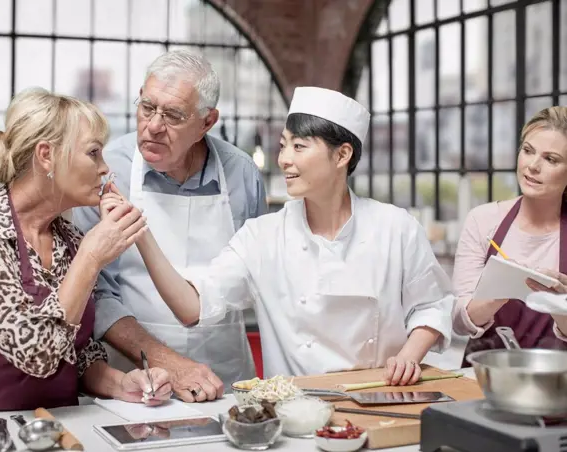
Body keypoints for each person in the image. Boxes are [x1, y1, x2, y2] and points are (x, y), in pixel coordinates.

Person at [111, 86, 454, 384]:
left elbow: (432, 306)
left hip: (378, 401)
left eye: (300, 147)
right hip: (296, 413)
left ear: (343, 154)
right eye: (283, 145)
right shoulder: (263, 236)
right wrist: (141, 232)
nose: (285, 160)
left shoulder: (396, 228)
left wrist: (409, 355)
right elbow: (192, 307)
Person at [0, 87, 171, 414]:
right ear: (46, 155)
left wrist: (121, 383)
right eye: (93, 153)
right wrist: (91, 258)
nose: (106, 169)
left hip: (49, 428)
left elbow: (75, 353)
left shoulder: (72, 240)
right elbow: (35, 352)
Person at [72, 50, 267, 401]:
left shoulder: (243, 176)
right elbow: (95, 293)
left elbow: (256, 281)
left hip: (226, 380)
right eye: (147, 108)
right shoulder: (107, 172)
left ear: (207, 122)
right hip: (137, 381)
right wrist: (167, 362)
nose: (153, 126)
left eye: (173, 115)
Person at [453, 106, 567, 360]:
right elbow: (460, 323)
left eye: (551, 159)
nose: (533, 166)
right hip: (484, 377)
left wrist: (560, 305)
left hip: (558, 380)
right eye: (528, 151)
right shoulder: (483, 221)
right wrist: (502, 289)